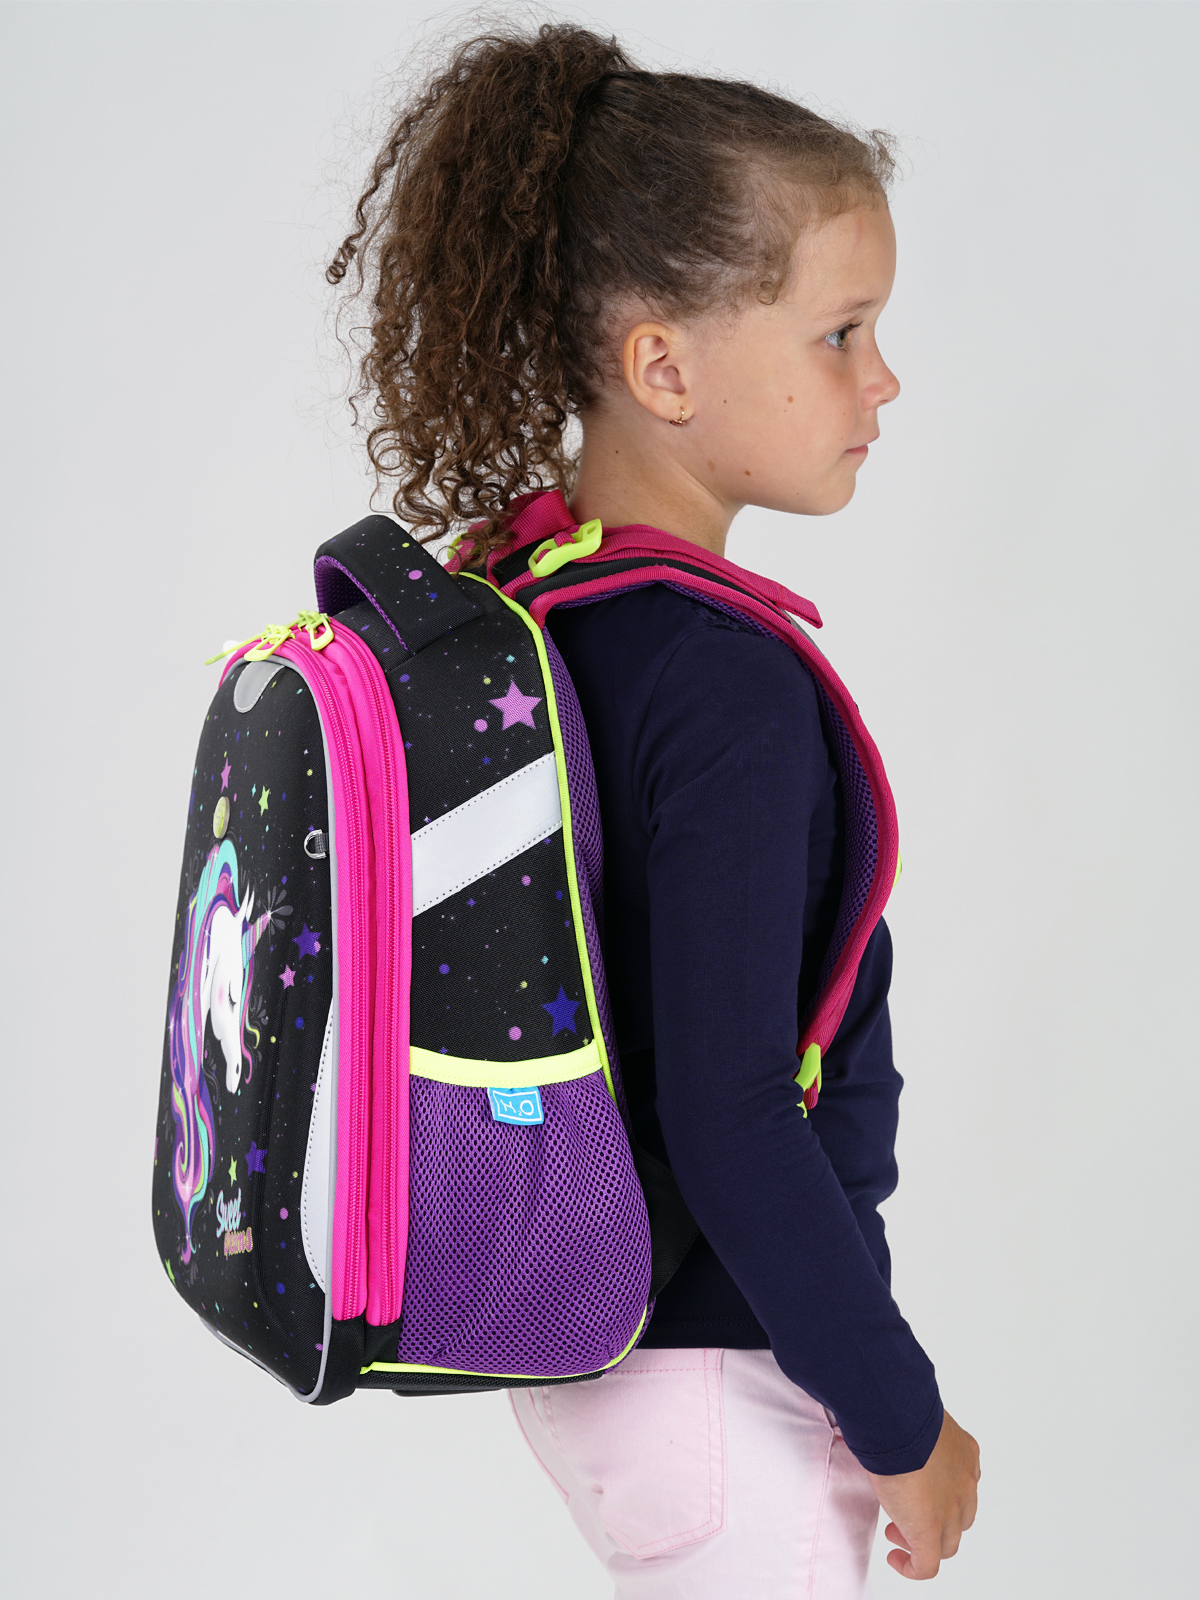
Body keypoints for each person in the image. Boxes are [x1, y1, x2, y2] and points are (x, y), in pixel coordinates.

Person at [328, 21, 980, 1597]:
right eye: (840, 333)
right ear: (663, 366)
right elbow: (732, 1112)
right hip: (721, 1371)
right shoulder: (723, 683)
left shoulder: (532, 611)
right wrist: (901, 1415)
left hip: (605, 1345)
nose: (882, 378)